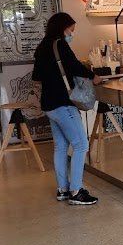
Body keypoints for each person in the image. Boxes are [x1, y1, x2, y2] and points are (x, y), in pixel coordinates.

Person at [32, 12, 104, 206]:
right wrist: (93, 76)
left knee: (61, 146)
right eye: (71, 30)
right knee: (81, 145)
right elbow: (74, 66)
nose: (72, 34)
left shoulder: (42, 47)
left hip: (49, 105)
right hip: (63, 103)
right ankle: (76, 191)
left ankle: (63, 189)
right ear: (62, 28)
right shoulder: (60, 45)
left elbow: (36, 77)